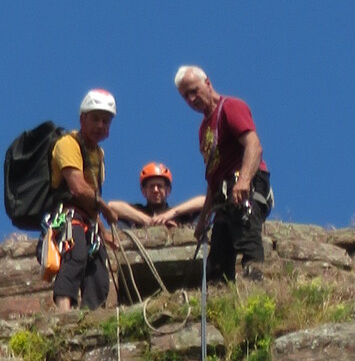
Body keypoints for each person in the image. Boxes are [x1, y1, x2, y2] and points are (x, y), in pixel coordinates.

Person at [44, 91, 156, 313]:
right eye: (95, 119)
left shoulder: (98, 154)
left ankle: (91, 316)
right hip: (68, 216)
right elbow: (77, 187)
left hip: (89, 220)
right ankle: (64, 312)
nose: (100, 125)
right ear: (82, 119)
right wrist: (106, 209)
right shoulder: (67, 144)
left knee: (98, 272)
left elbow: (91, 200)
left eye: (106, 121)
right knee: (75, 256)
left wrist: (103, 232)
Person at [162, 67, 272, 282]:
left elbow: (254, 145)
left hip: (244, 185)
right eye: (185, 96)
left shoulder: (230, 107)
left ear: (207, 83)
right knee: (217, 264)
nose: (191, 99)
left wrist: (244, 180)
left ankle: (257, 292)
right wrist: (203, 218)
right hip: (223, 195)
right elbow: (214, 178)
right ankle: (222, 299)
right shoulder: (204, 129)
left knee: (247, 239)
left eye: (194, 91)